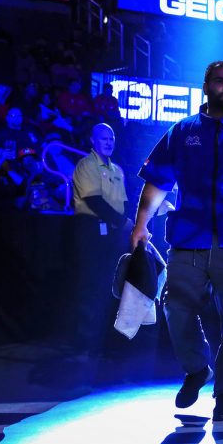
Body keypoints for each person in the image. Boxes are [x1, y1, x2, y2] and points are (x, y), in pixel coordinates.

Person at [130, 61, 223, 420]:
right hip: (189, 237)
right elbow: (157, 180)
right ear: (206, 86)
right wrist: (140, 224)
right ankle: (197, 368)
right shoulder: (182, 131)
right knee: (174, 307)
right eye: (220, 81)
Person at [72, 122, 132, 357]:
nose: (109, 142)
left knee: (112, 285)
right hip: (91, 231)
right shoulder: (86, 165)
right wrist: (121, 222)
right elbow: (93, 201)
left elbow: (125, 203)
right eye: (104, 138)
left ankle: (107, 343)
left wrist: (124, 222)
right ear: (93, 141)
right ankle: (85, 343)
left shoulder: (117, 170)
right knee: (91, 285)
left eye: (112, 138)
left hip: (114, 234)